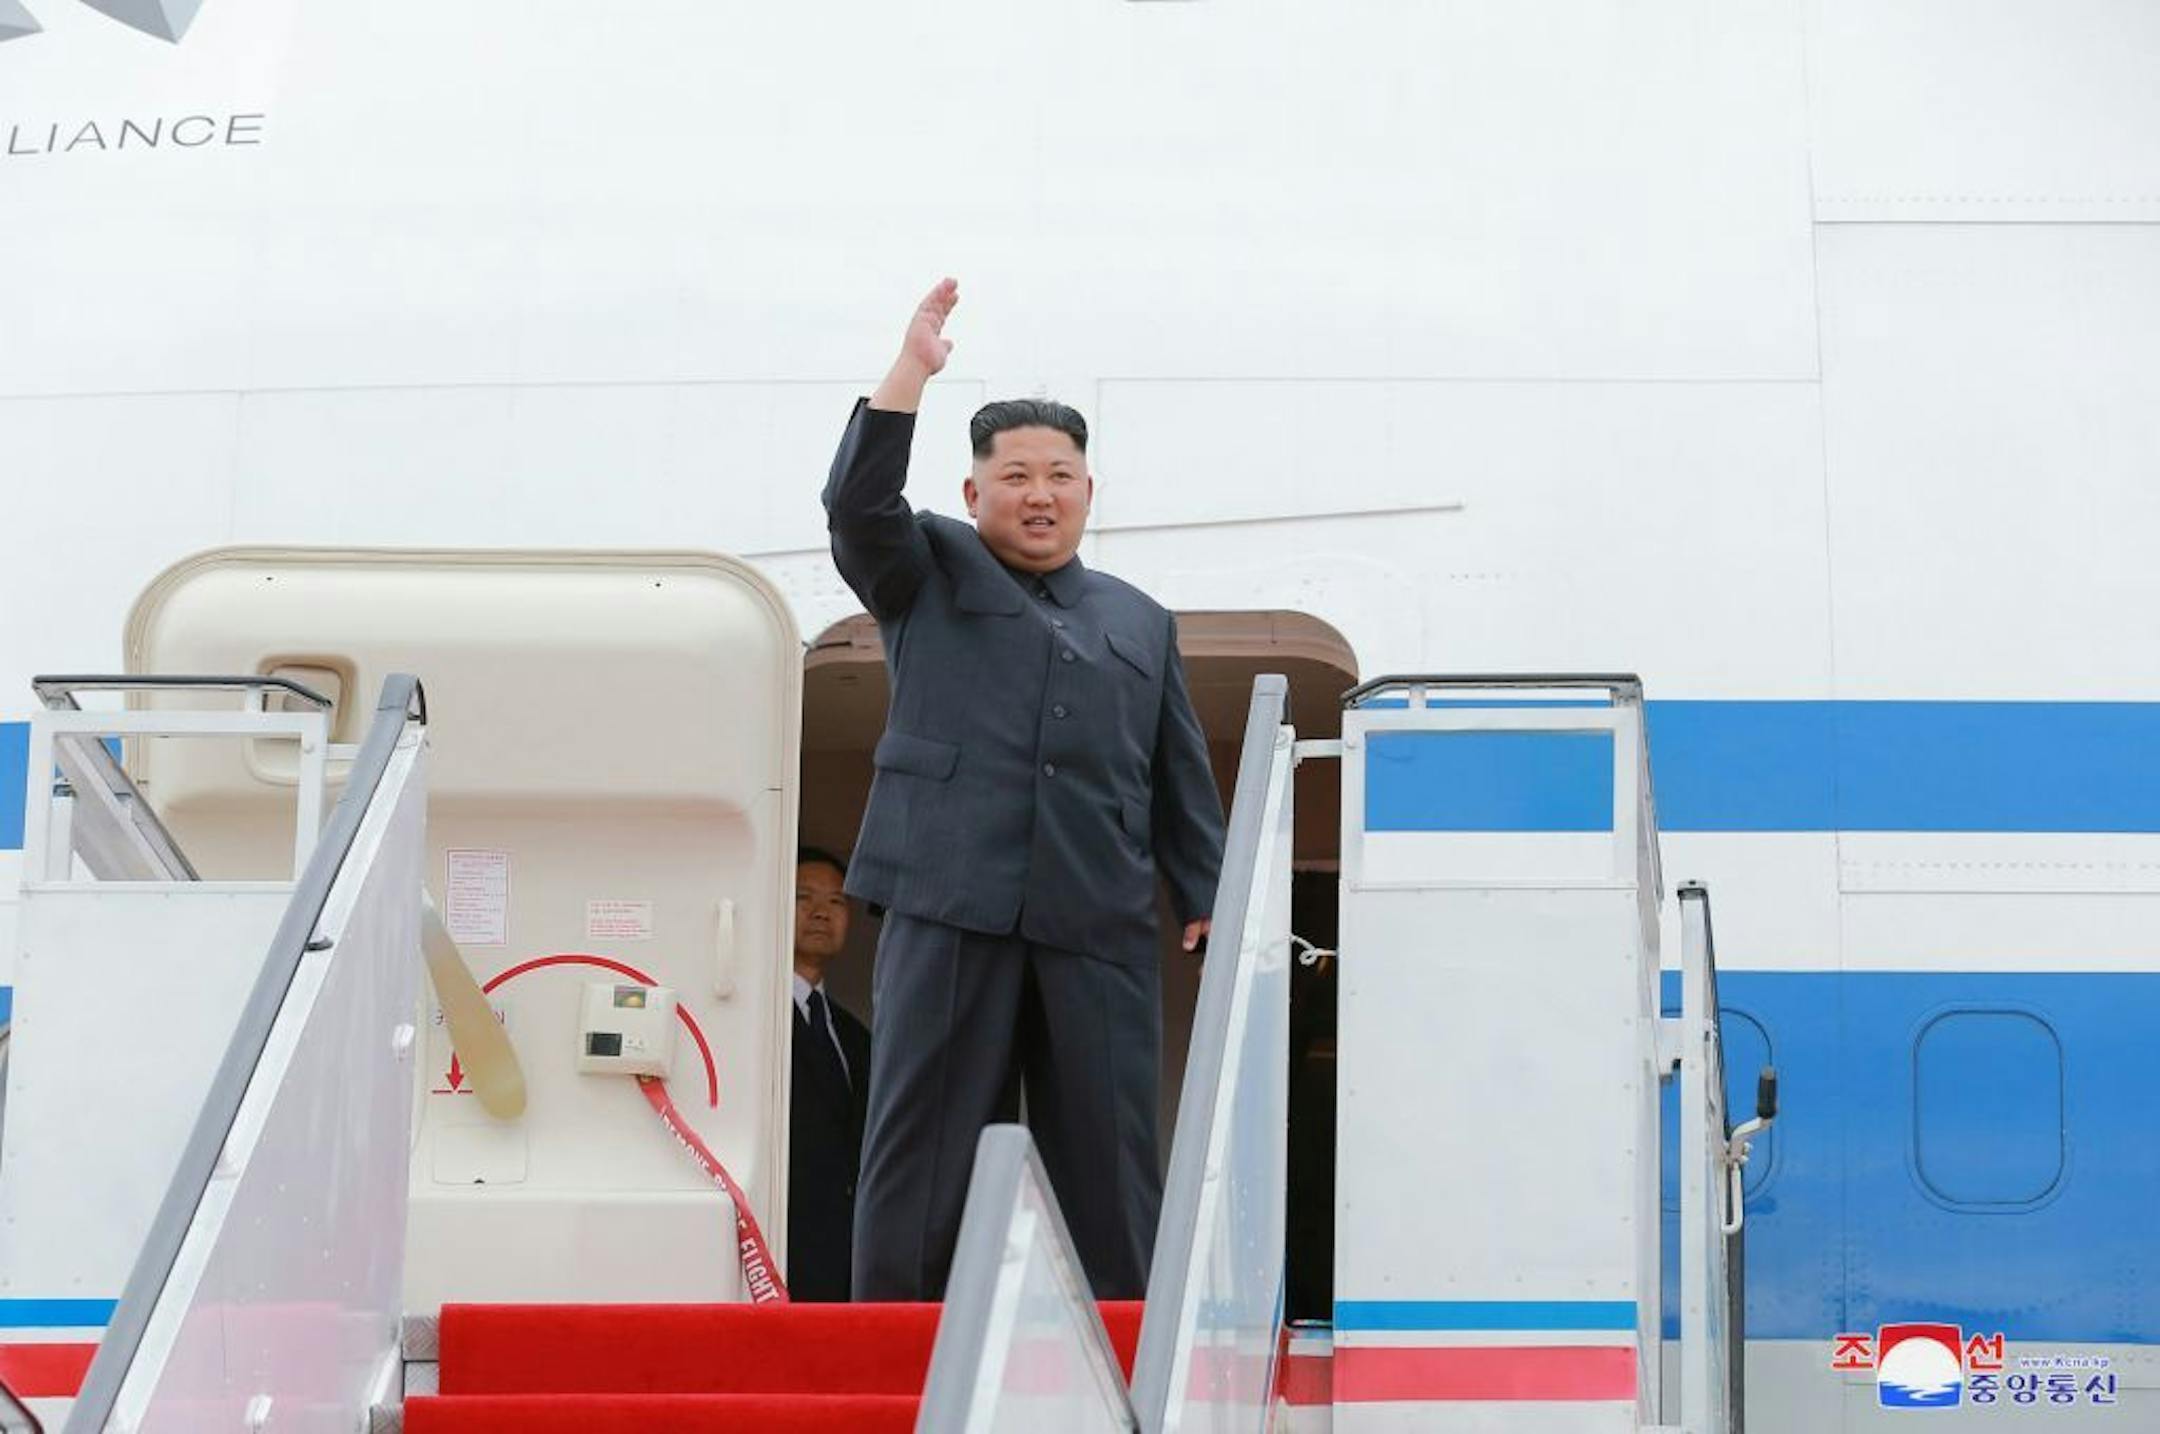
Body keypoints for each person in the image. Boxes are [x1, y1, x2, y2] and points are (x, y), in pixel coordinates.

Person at [823, 278, 1225, 1301]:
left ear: (1089, 491)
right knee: (924, 1146)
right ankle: (897, 1359)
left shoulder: (1140, 620)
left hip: (1098, 911)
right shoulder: (927, 569)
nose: (1039, 494)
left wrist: (1208, 896)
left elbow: (1177, 768)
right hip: (948, 898)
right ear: (974, 495)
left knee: (1113, 1150)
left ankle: (1126, 1351)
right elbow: (856, 507)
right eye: (1015, 476)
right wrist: (910, 369)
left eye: (1061, 475)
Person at [787, 847, 873, 1303]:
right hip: (782, 1251)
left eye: (837, 902)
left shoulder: (857, 1036)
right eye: (804, 897)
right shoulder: (755, 1024)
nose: (822, 912)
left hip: (847, 1262)